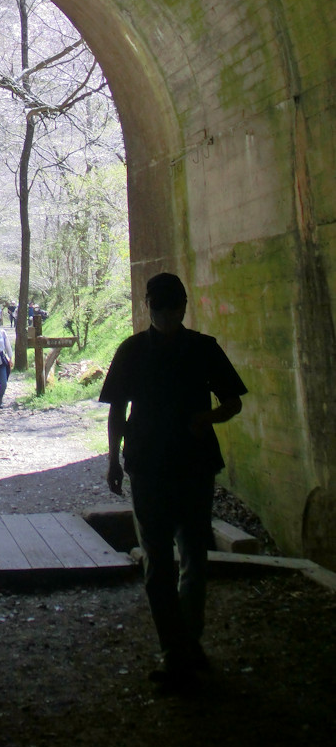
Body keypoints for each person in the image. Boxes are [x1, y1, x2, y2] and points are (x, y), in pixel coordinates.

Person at [99, 272, 247, 689]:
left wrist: (208, 417)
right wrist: (113, 461)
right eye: (161, 309)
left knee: (184, 558)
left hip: (179, 464)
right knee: (167, 560)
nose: (166, 316)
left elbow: (231, 403)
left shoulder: (193, 348)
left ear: (182, 307)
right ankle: (179, 648)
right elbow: (116, 410)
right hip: (159, 465)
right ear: (150, 307)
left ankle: (180, 647)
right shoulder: (143, 350)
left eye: (172, 309)